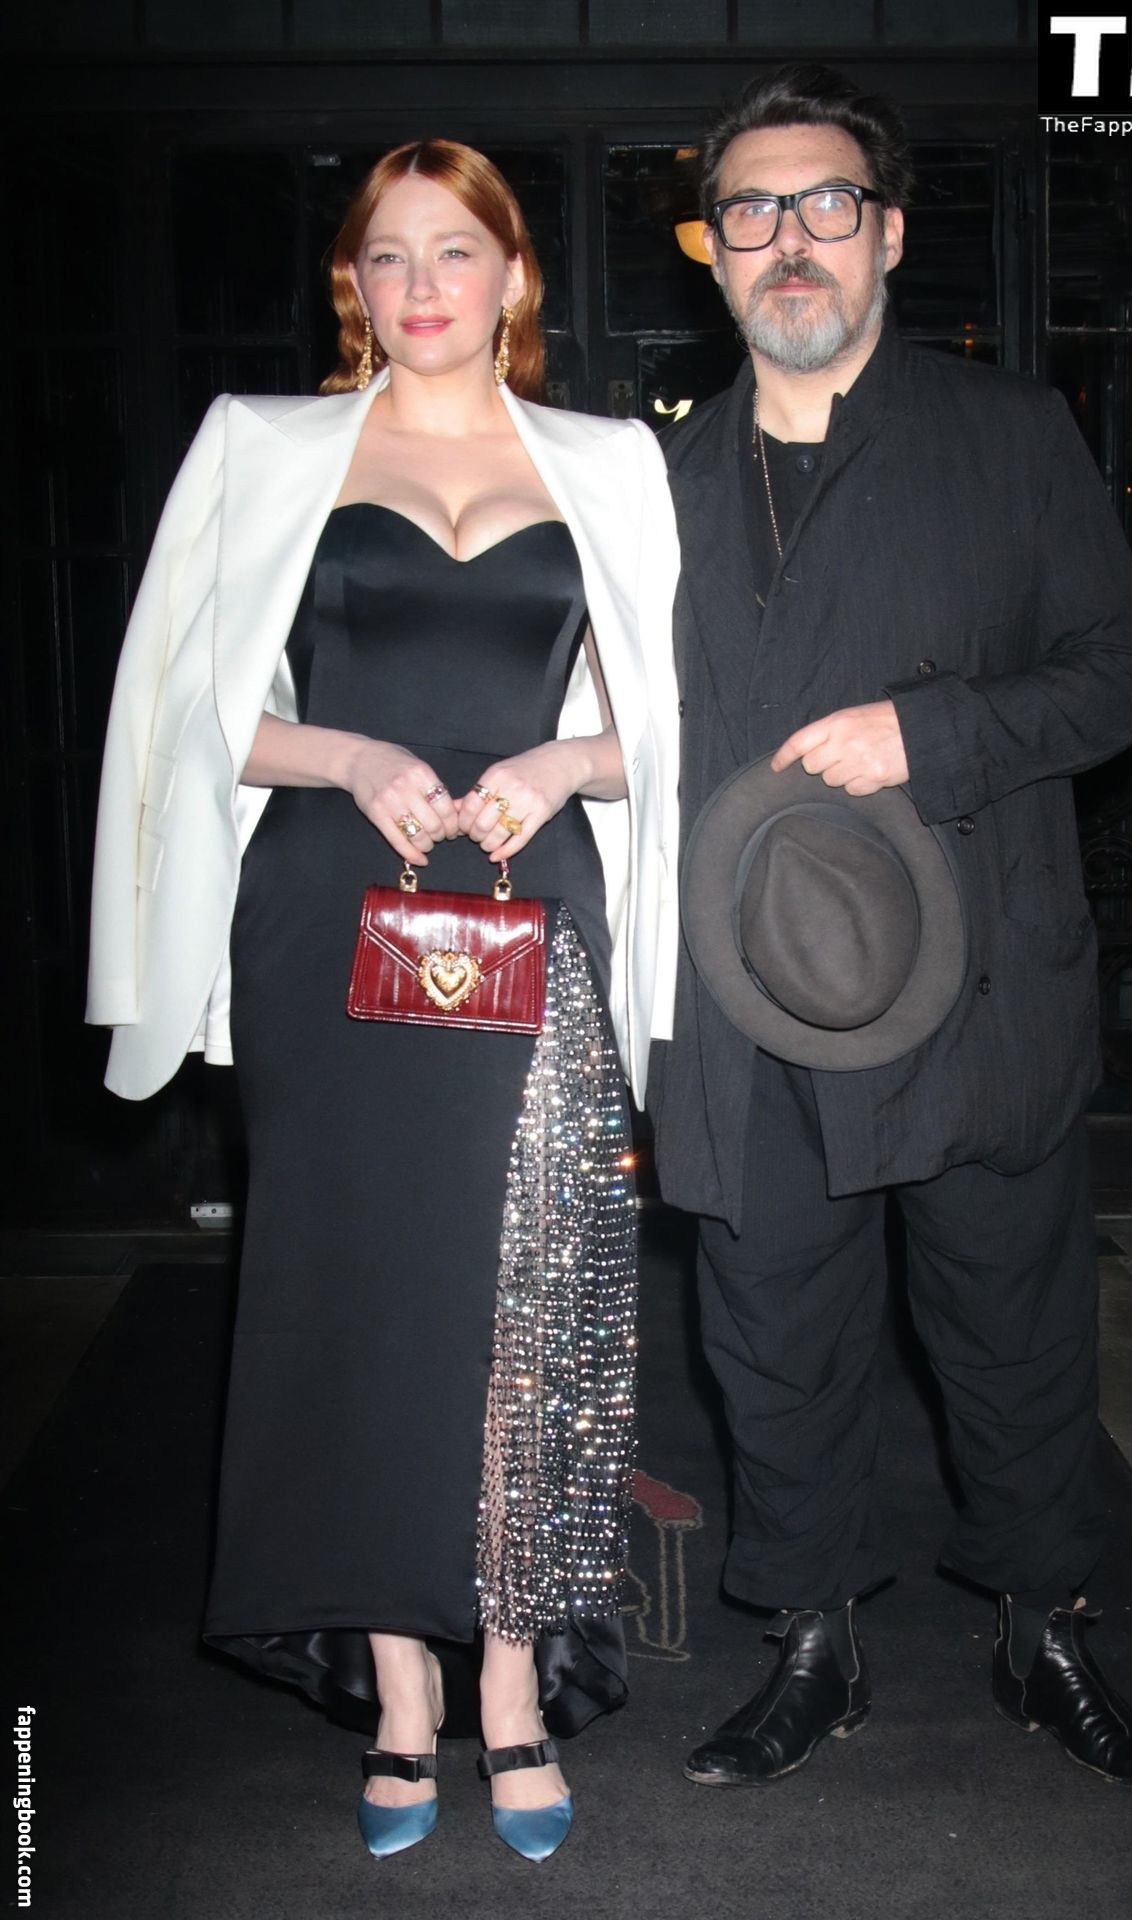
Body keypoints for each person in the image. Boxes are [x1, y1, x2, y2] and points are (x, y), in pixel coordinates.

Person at [86, 139, 680, 1862]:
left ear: (513, 276)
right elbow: (183, 701)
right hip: (326, 914)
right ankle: (401, 1691)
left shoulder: (608, 462)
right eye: (389, 256)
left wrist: (564, 763)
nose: (424, 285)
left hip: (529, 900)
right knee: (353, 1291)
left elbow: (674, 714)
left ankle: (513, 1676)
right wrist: (346, 754)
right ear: (353, 283)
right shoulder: (264, 447)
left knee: (528, 1295)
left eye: (456, 250)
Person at [647, 64, 1132, 1791]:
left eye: (826, 204)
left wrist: (931, 731)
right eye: (751, 212)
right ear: (713, 251)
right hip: (750, 999)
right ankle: (815, 1646)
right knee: (775, 1342)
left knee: (1015, 1335)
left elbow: (1126, 677)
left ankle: (1048, 1634)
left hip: (975, 990)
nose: (789, 241)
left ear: (887, 233)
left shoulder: (1010, 432)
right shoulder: (656, 476)